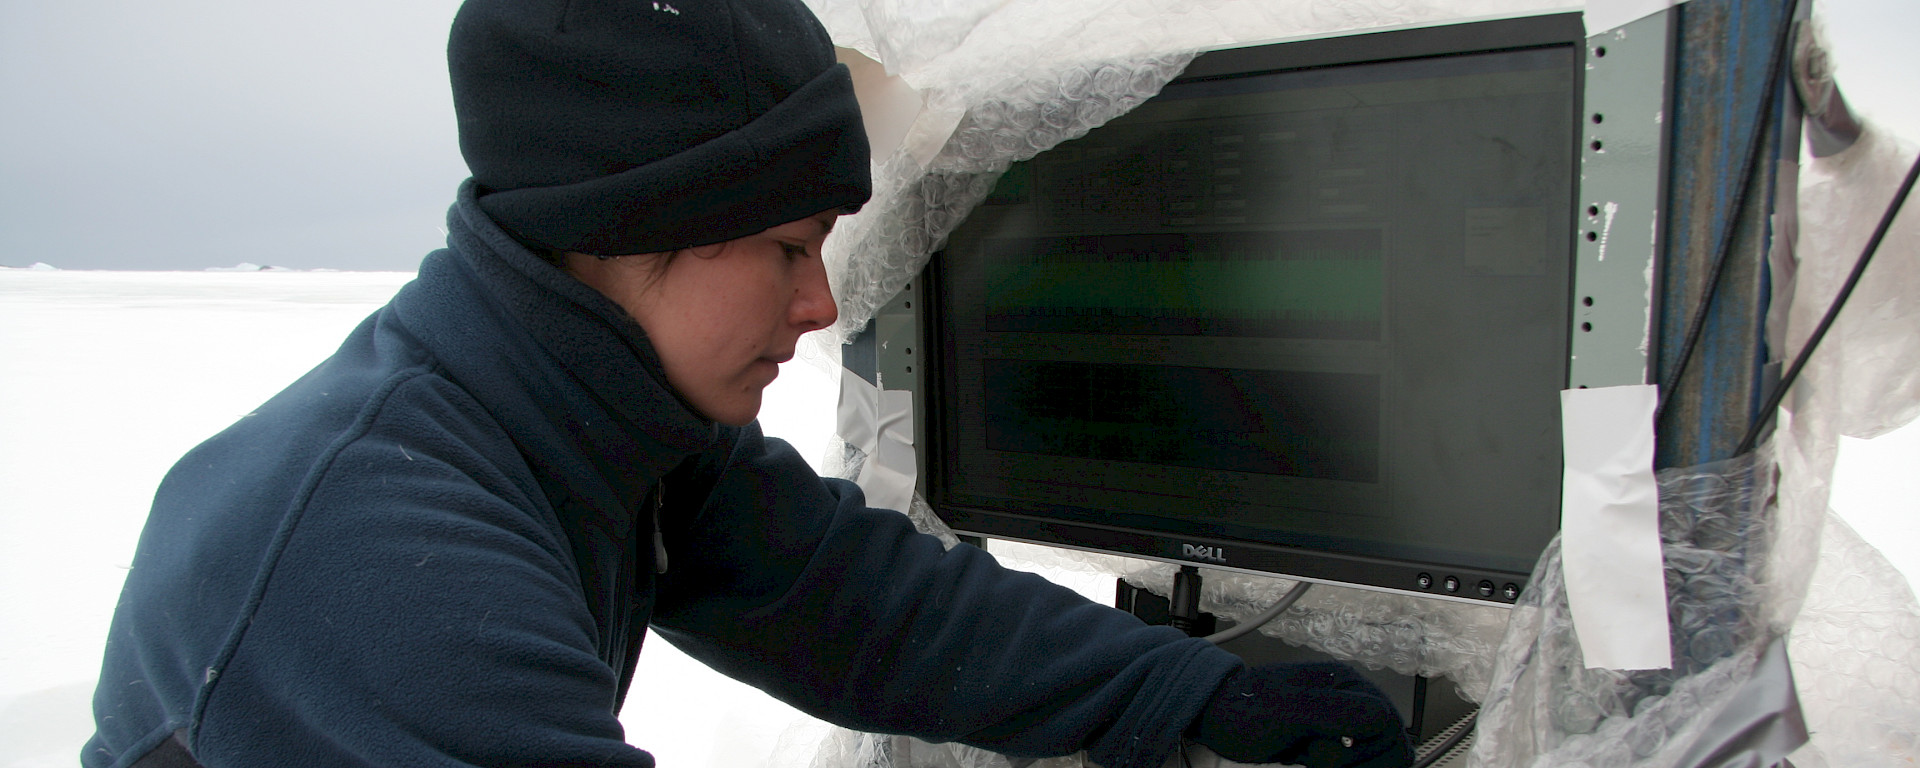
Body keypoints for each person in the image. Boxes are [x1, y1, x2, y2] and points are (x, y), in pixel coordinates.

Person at [83, 1, 1415, 766]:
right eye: (785, 248)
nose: (822, 304)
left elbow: (855, 601)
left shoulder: (581, 418)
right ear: (627, 226)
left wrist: (1191, 694)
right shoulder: (381, 567)